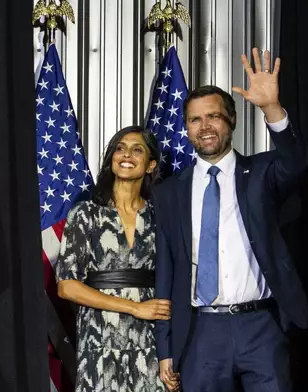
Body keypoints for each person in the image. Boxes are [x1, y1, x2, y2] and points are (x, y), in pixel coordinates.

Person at [153, 48, 308, 392]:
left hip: (261, 326)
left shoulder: (260, 172)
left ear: (232, 121)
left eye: (214, 116)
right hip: (200, 333)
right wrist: (165, 348)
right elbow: (166, 270)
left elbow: (296, 162)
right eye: (195, 120)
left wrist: (272, 108)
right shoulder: (169, 192)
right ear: (186, 129)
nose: (205, 126)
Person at [56, 125, 176, 392]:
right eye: (120, 148)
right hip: (99, 336)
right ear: (111, 159)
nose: (126, 155)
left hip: (150, 338)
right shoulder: (86, 213)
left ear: (150, 165)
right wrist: (134, 307)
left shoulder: (162, 215)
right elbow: (66, 286)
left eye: (137, 150)